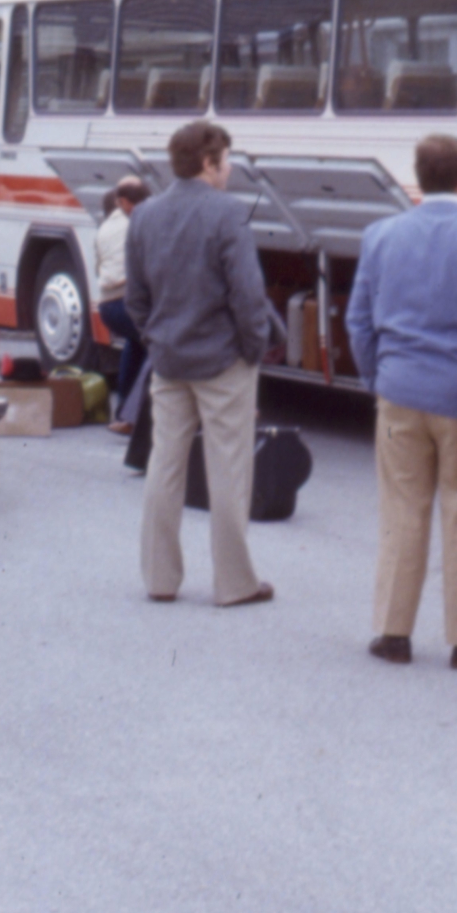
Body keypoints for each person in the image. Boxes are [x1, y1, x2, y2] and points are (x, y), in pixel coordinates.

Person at [346, 134, 457, 671]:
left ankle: (392, 633)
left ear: (418, 179)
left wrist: (381, 377)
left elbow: (358, 321)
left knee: (403, 512)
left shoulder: (381, 235)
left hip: (400, 392)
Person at [126, 120, 275, 608]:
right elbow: (249, 296)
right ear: (209, 164)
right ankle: (235, 584)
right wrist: (253, 350)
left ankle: (159, 578)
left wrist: (156, 338)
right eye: (227, 161)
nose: (230, 169)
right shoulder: (228, 214)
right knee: (228, 470)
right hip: (222, 361)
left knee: (163, 465)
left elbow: (136, 298)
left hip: (169, 360)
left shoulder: (144, 215)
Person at [94, 176, 150, 436]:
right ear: (125, 203)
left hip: (107, 305)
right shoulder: (136, 224)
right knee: (159, 345)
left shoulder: (104, 228)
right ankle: (139, 417)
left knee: (135, 344)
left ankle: (124, 413)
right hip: (126, 301)